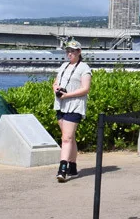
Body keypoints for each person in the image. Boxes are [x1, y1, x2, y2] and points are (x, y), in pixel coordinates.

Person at [53, 40, 92, 182]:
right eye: (68, 51)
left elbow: (85, 89)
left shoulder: (84, 68)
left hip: (75, 106)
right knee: (69, 137)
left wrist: (67, 95)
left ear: (79, 52)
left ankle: (62, 169)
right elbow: (55, 82)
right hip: (61, 105)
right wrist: (56, 89)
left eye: (73, 51)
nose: (69, 54)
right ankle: (73, 166)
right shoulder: (63, 66)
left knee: (66, 138)